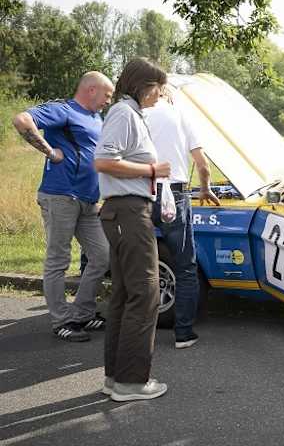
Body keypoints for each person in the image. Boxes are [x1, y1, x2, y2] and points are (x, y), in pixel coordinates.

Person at [12, 72, 114, 342]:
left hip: (88, 200)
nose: (108, 100)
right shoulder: (63, 110)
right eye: (107, 95)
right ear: (91, 90)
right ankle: (62, 321)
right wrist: (49, 151)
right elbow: (22, 120)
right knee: (58, 259)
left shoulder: (96, 117)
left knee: (102, 255)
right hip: (60, 196)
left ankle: (82, 313)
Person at [93, 57, 171, 402]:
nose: (160, 94)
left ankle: (116, 378)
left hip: (124, 211)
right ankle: (131, 382)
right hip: (128, 211)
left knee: (126, 295)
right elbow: (104, 160)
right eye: (157, 87)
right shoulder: (124, 113)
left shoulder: (129, 113)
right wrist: (152, 170)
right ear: (142, 85)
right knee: (146, 293)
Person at [144, 93, 220, 349]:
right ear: (170, 97)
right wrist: (205, 189)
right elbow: (202, 165)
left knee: (140, 265)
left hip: (142, 191)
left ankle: (140, 331)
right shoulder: (180, 116)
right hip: (174, 194)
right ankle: (183, 333)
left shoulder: (137, 113)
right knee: (185, 265)